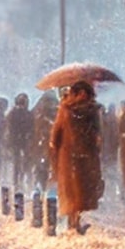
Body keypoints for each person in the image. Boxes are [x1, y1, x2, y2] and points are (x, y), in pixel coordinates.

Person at [50, 80, 105, 234]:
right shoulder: (67, 109)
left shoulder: (88, 110)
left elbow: (98, 133)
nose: (83, 96)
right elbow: (56, 132)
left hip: (79, 156)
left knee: (81, 191)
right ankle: (73, 222)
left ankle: (75, 221)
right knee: (75, 190)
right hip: (74, 156)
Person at [5, 92, 35, 190]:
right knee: (23, 162)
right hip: (21, 140)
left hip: (18, 140)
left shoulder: (13, 113)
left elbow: (9, 128)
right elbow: (31, 127)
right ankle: (22, 180)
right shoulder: (27, 114)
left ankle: (18, 181)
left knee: (18, 162)